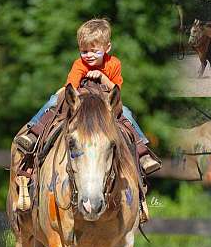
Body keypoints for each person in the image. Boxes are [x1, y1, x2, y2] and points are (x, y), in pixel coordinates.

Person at [14, 18, 161, 210]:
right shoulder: (79, 64)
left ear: (107, 48)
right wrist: (68, 95)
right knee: (52, 101)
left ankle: (142, 153)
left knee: (127, 113)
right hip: (82, 101)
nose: (89, 56)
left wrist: (102, 77)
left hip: (106, 101)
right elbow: (72, 87)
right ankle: (34, 133)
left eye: (94, 51)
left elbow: (116, 89)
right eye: (84, 51)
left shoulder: (114, 64)